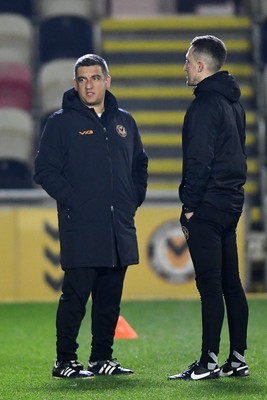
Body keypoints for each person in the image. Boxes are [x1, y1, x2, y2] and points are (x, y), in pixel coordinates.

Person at [34, 54, 148, 379]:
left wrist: (132, 199)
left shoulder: (124, 121)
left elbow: (140, 162)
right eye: (82, 80)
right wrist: (76, 201)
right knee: (75, 297)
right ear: (75, 84)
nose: (89, 85)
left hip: (119, 228)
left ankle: (101, 358)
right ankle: (64, 360)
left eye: (95, 78)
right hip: (81, 227)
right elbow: (44, 170)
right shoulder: (60, 123)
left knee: (110, 300)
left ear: (107, 81)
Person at [168, 35, 249, 381]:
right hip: (231, 203)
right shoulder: (235, 104)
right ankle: (237, 358)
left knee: (210, 286)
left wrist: (189, 206)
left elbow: (199, 162)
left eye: (187, 60)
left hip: (208, 206)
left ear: (201, 66)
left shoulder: (203, 106)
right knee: (232, 283)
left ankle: (208, 362)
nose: (184, 66)